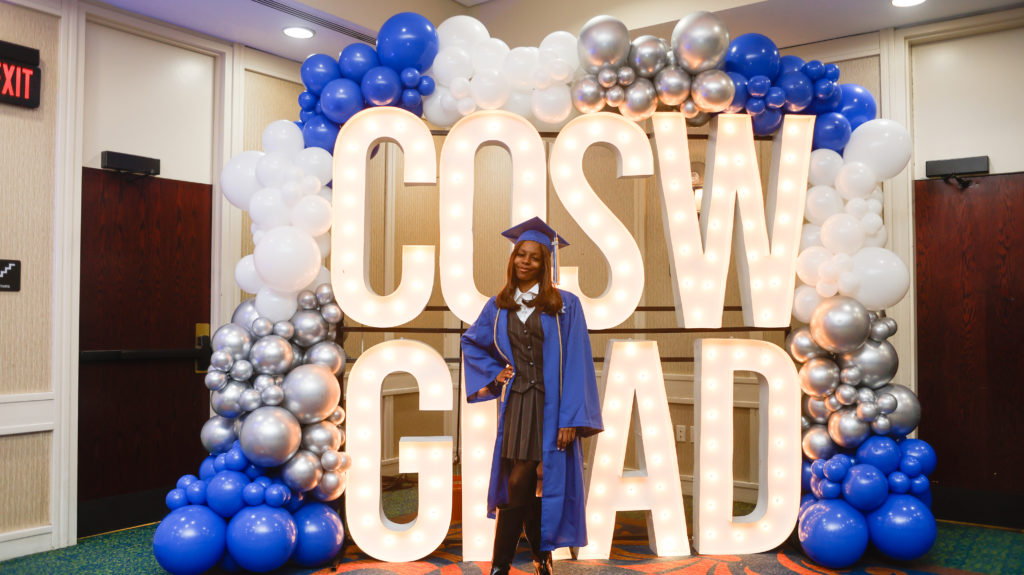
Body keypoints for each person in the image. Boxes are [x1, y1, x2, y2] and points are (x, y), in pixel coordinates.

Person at [461, 217, 603, 575]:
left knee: (528, 479)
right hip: (519, 403)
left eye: (534, 257)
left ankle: (502, 566)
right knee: (521, 479)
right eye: (520, 255)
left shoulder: (565, 305)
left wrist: (571, 417)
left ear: (546, 264)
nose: (525, 261)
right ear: (513, 259)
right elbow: (472, 342)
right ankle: (539, 558)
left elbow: (577, 362)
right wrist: (497, 373)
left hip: (552, 405)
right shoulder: (499, 305)